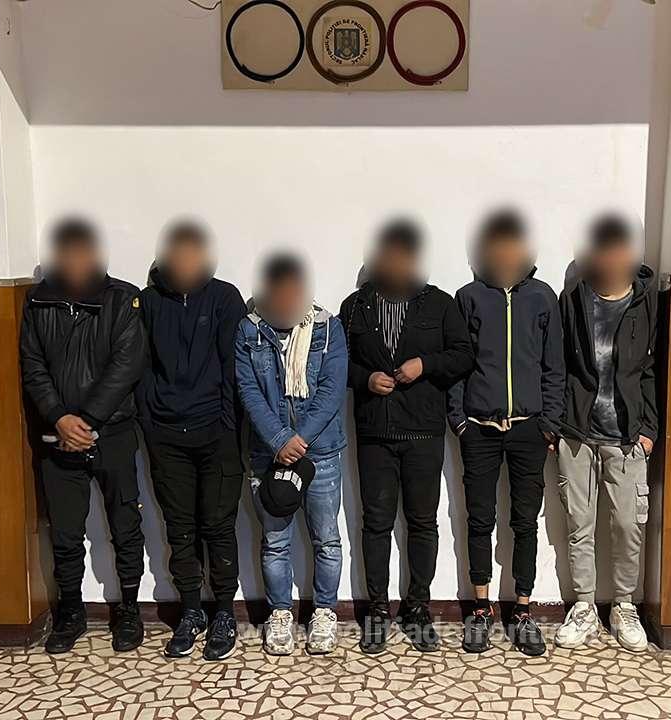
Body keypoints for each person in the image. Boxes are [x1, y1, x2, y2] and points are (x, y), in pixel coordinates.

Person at [340, 220, 474, 654]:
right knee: (376, 523)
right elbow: (337, 363)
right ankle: (377, 610)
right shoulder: (355, 307)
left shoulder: (440, 303)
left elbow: (463, 355)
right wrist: (365, 378)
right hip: (374, 431)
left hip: (423, 430)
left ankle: (418, 608)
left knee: (422, 522)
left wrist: (425, 365)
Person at [19, 218, 147, 655]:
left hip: (112, 432)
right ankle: (70, 612)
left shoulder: (124, 299)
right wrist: (59, 418)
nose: (75, 261)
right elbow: (32, 365)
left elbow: (126, 367)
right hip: (57, 438)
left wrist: (88, 421)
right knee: (65, 532)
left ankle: (129, 610)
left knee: (125, 524)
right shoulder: (38, 300)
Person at [447, 209, 564, 656]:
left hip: (529, 431)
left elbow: (554, 367)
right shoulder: (468, 297)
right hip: (478, 430)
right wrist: (460, 420)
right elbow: (458, 364)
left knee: (524, 521)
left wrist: (548, 424)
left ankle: (522, 609)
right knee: (479, 519)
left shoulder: (542, 297)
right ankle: (480, 610)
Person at [136, 220, 246, 661]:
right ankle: (191, 610)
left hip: (217, 435)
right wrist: (151, 422)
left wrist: (228, 428)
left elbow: (234, 369)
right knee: (179, 528)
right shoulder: (148, 302)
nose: (184, 262)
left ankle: (224, 613)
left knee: (218, 526)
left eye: (192, 254)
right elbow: (140, 366)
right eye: (176, 254)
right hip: (166, 437)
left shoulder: (225, 298)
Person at [553, 214, 657, 653]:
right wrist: (556, 423)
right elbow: (558, 363)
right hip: (577, 431)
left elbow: (651, 368)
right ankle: (584, 607)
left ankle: (624, 605)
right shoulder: (573, 298)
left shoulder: (647, 301)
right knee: (579, 524)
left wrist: (649, 428)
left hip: (628, 434)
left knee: (627, 525)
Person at [235, 254, 348, 656]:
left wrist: (298, 438)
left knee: (327, 540)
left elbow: (332, 390)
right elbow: (248, 390)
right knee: (275, 541)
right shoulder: (248, 330)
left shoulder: (329, 328)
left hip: (321, 452)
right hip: (267, 454)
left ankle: (324, 611)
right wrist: (279, 439)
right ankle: (279, 613)